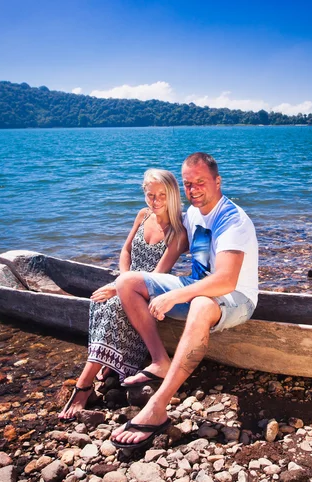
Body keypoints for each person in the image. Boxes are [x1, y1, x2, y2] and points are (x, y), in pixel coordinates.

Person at [110, 152, 258, 449]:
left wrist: (174, 295)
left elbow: (226, 280)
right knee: (126, 282)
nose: (193, 190)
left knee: (202, 303)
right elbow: (163, 231)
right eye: (188, 184)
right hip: (196, 288)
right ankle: (160, 361)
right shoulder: (191, 215)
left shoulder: (233, 220)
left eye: (200, 182)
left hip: (235, 298)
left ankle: (157, 407)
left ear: (218, 181)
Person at [58, 169, 188, 422]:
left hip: (151, 290)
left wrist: (121, 287)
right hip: (125, 282)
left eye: (162, 195)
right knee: (100, 302)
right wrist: (120, 281)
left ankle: (84, 384)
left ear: (173, 195)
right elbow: (126, 250)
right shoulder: (143, 215)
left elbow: (158, 275)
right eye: (150, 195)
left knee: (114, 306)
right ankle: (110, 363)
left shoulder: (178, 232)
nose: (156, 201)